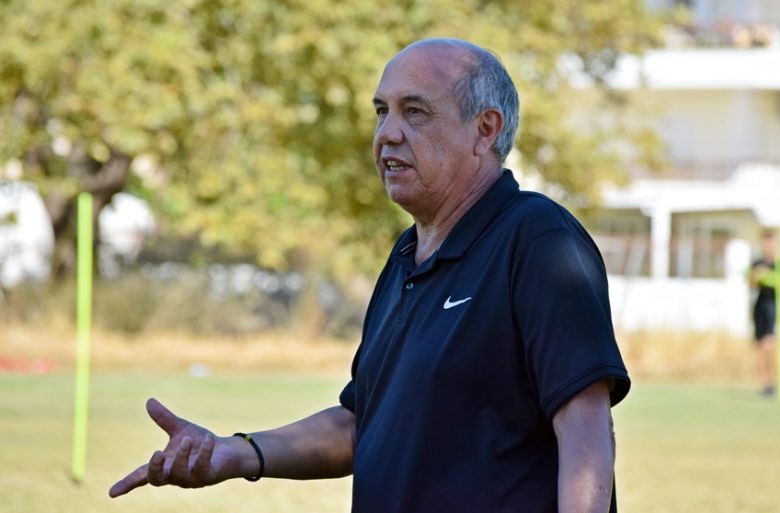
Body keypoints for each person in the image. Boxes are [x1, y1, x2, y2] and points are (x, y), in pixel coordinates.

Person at [110, 38, 630, 513]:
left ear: (485, 130)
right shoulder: (406, 256)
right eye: (382, 112)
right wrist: (236, 452)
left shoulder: (537, 238)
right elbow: (361, 424)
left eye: (415, 112)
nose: (387, 134)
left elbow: (584, 424)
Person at [749, 230, 779, 397]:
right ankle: (763, 384)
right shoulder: (757, 263)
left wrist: (770, 277)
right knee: (760, 346)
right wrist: (756, 276)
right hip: (760, 306)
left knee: (770, 344)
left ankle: (773, 381)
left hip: (773, 306)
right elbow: (750, 283)